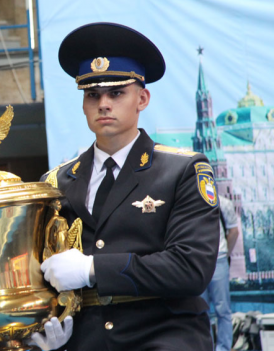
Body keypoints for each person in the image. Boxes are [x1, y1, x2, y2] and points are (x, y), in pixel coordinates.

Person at [38, 22, 220, 350]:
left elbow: (191, 268)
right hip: (84, 339)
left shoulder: (183, 170)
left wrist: (93, 268)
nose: (103, 104)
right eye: (92, 95)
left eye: (116, 93)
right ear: (83, 104)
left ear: (142, 98)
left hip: (163, 334)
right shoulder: (55, 184)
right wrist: (44, 324)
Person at [202, 195, 238, 351]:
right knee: (200, 309)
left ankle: (223, 347)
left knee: (222, 309)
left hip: (219, 258)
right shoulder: (190, 201)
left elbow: (234, 231)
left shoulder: (223, 203)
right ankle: (205, 346)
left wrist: (225, 253)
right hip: (198, 261)